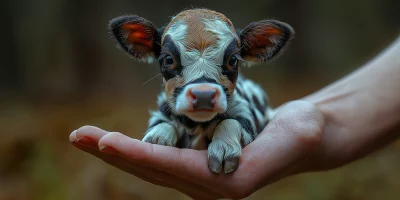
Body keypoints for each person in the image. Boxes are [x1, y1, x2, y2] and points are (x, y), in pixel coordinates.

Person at [69, 36, 400, 200]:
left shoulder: (244, 101)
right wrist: (164, 129)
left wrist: (230, 128)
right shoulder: (168, 107)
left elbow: (243, 117)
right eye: (171, 60)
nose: (201, 90)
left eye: (228, 63)